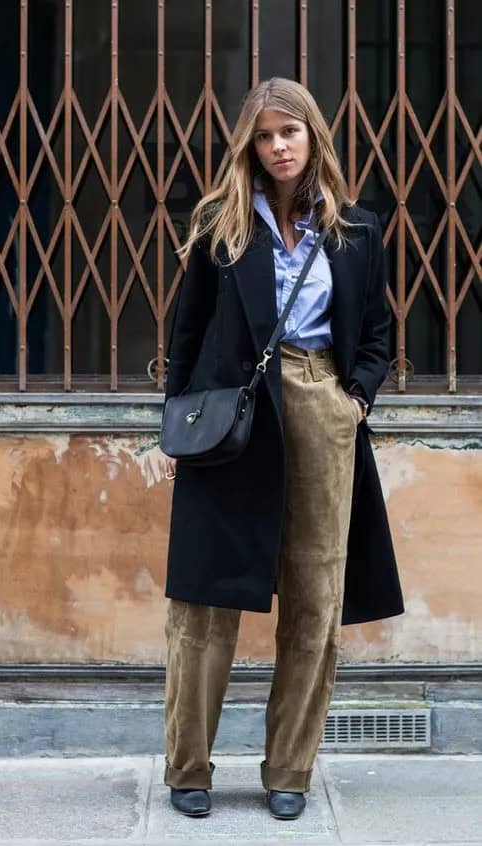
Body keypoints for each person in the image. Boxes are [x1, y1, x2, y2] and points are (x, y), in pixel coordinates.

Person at [161, 77, 404, 821]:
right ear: (251, 145)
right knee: (204, 597)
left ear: (312, 136)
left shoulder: (356, 230)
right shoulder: (221, 225)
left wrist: (354, 397)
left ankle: (289, 770)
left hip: (321, 403)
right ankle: (189, 767)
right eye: (265, 136)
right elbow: (188, 329)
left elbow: (378, 334)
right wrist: (177, 418)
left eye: (289, 132)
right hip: (234, 413)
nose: (278, 147)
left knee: (314, 597)